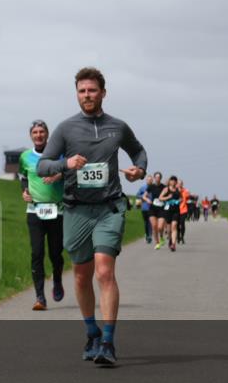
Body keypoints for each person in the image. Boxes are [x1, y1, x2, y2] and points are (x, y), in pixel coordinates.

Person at [37, 67, 147, 367]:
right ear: (77, 94)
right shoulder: (65, 129)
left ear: (103, 93)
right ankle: (91, 333)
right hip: (75, 210)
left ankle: (109, 342)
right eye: (82, 91)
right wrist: (65, 162)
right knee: (83, 275)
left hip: (109, 208)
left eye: (92, 90)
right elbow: (41, 166)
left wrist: (140, 170)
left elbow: (138, 152)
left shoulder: (117, 127)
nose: (87, 95)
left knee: (104, 272)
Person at [19, 120, 66, 310]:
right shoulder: (25, 157)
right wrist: (24, 191)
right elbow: (23, 177)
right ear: (31, 135)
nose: (38, 135)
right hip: (35, 211)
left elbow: (69, 171)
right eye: (35, 132)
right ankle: (40, 297)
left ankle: (57, 280)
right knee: (37, 254)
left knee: (56, 254)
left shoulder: (57, 154)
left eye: (42, 132)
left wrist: (58, 175)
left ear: (47, 134)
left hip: (57, 210)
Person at [158, 176, 183, 252]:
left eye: (174, 180)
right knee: (169, 230)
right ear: (169, 182)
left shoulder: (178, 189)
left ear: (176, 182)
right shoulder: (166, 189)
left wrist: (179, 201)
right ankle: (170, 240)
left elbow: (181, 198)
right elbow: (160, 198)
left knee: (174, 226)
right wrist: (168, 197)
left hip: (176, 210)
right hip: (168, 210)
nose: (173, 182)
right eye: (172, 180)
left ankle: (173, 244)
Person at [147, 171, 166, 249]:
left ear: (160, 178)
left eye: (159, 177)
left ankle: (161, 237)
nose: (157, 178)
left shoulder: (164, 187)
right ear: (154, 178)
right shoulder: (151, 186)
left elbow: (168, 196)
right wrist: (147, 199)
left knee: (160, 227)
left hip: (161, 208)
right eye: (156, 177)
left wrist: (164, 199)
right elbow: (144, 195)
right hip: (152, 208)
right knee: (154, 226)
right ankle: (157, 243)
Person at [135, 175, 153, 244]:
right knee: (146, 222)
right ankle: (146, 234)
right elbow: (137, 195)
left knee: (150, 222)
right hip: (144, 207)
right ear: (146, 180)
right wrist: (143, 197)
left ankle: (150, 236)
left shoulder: (153, 187)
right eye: (148, 180)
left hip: (152, 208)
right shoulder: (143, 188)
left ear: (152, 181)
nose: (149, 181)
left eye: (150, 180)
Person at [178, 180, 190, 245]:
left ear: (182, 184)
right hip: (176, 210)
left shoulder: (185, 191)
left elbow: (188, 197)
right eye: (178, 183)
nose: (179, 185)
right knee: (176, 225)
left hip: (183, 210)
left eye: (181, 184)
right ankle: (178, 236)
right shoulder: (174, 191)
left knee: (182, 224)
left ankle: (182, 237)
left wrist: (188, 194)